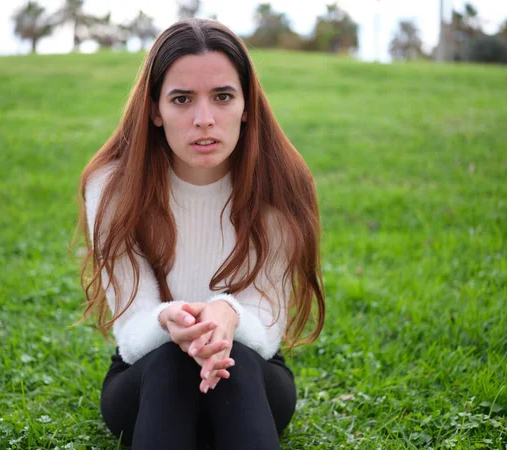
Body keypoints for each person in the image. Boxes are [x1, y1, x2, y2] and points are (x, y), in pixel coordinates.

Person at [78, 18, 325, 450]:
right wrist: (167, 321)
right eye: (182, 99)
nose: (204, 119)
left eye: (223, 97)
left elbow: (266, 327)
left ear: (247, 105)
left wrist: (226, 316)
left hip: (253, 372)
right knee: (173, 361)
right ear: (155, 109)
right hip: (145, 373)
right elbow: (132, 328)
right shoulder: (112, 186)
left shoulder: (282, 186)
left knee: (235, 363)